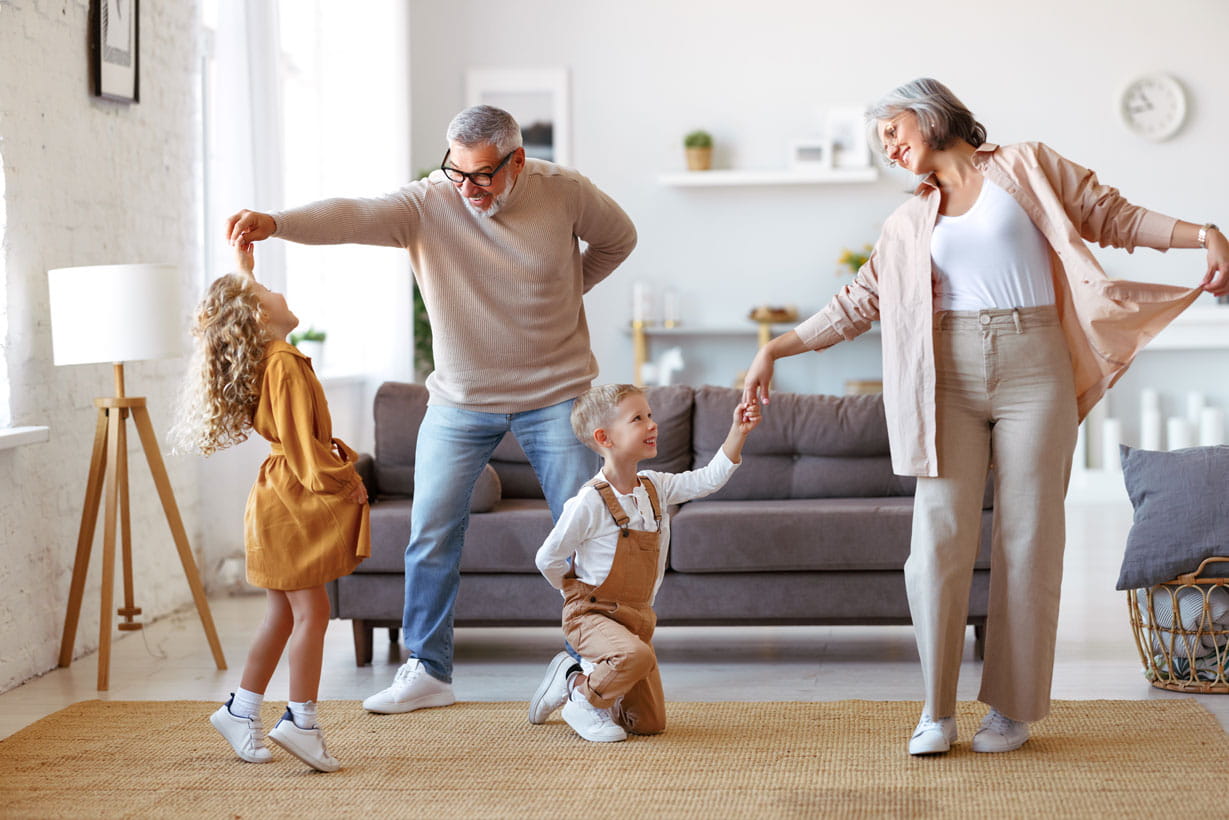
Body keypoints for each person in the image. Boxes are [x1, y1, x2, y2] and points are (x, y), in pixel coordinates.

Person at [742, 78, 1229, 756]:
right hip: (943, 377)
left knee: (1029, 539)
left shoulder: (1024, 166)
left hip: (1036, 367)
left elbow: (1109, 215)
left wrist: (1202, 233)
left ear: (930, 113)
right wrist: (775, 347)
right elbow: (856, 303)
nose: (886, 144)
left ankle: (1010, 709)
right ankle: (935, 711)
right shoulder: (906, 222)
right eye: (879, 138)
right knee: (936, 540)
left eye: (891, 128)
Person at [225, 105, 637, 714]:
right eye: (457, 172)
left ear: (517, 161)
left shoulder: (563, 192)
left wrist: (571, 285)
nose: (468, 189)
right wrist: (276, 222)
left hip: (558, 392)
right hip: (460, 400)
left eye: (484, 176)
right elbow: (351, 215)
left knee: (588, 532)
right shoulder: (429, 203)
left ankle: (596, 670)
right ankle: (428, 668)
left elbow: (619, 238)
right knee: (431, 534)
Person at [177, 243, 370, 772]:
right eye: (265, 289)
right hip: (293, 497)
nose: (275, 289)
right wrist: (344, 480)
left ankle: (241, 709)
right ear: (260, 315)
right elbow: (306, 449)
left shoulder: (271, 353)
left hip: (277, 496)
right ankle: (301, 723)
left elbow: (242, 299)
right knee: (313, 612)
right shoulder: (283, 362)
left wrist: (245, 268)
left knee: (283, 613)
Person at [528, 384, 761, 741]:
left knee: (648, 724)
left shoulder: (655, 486)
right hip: (591, 615)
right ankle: (583, 699)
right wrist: (573, 593)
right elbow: (548, 557)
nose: (652, 424)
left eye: (650, 415)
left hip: (636, 619)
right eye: (638, 419)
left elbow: (708, 480)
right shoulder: (588, 502)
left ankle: (571, 676)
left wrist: (738, 432)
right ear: (604, 437)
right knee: (633, 656)